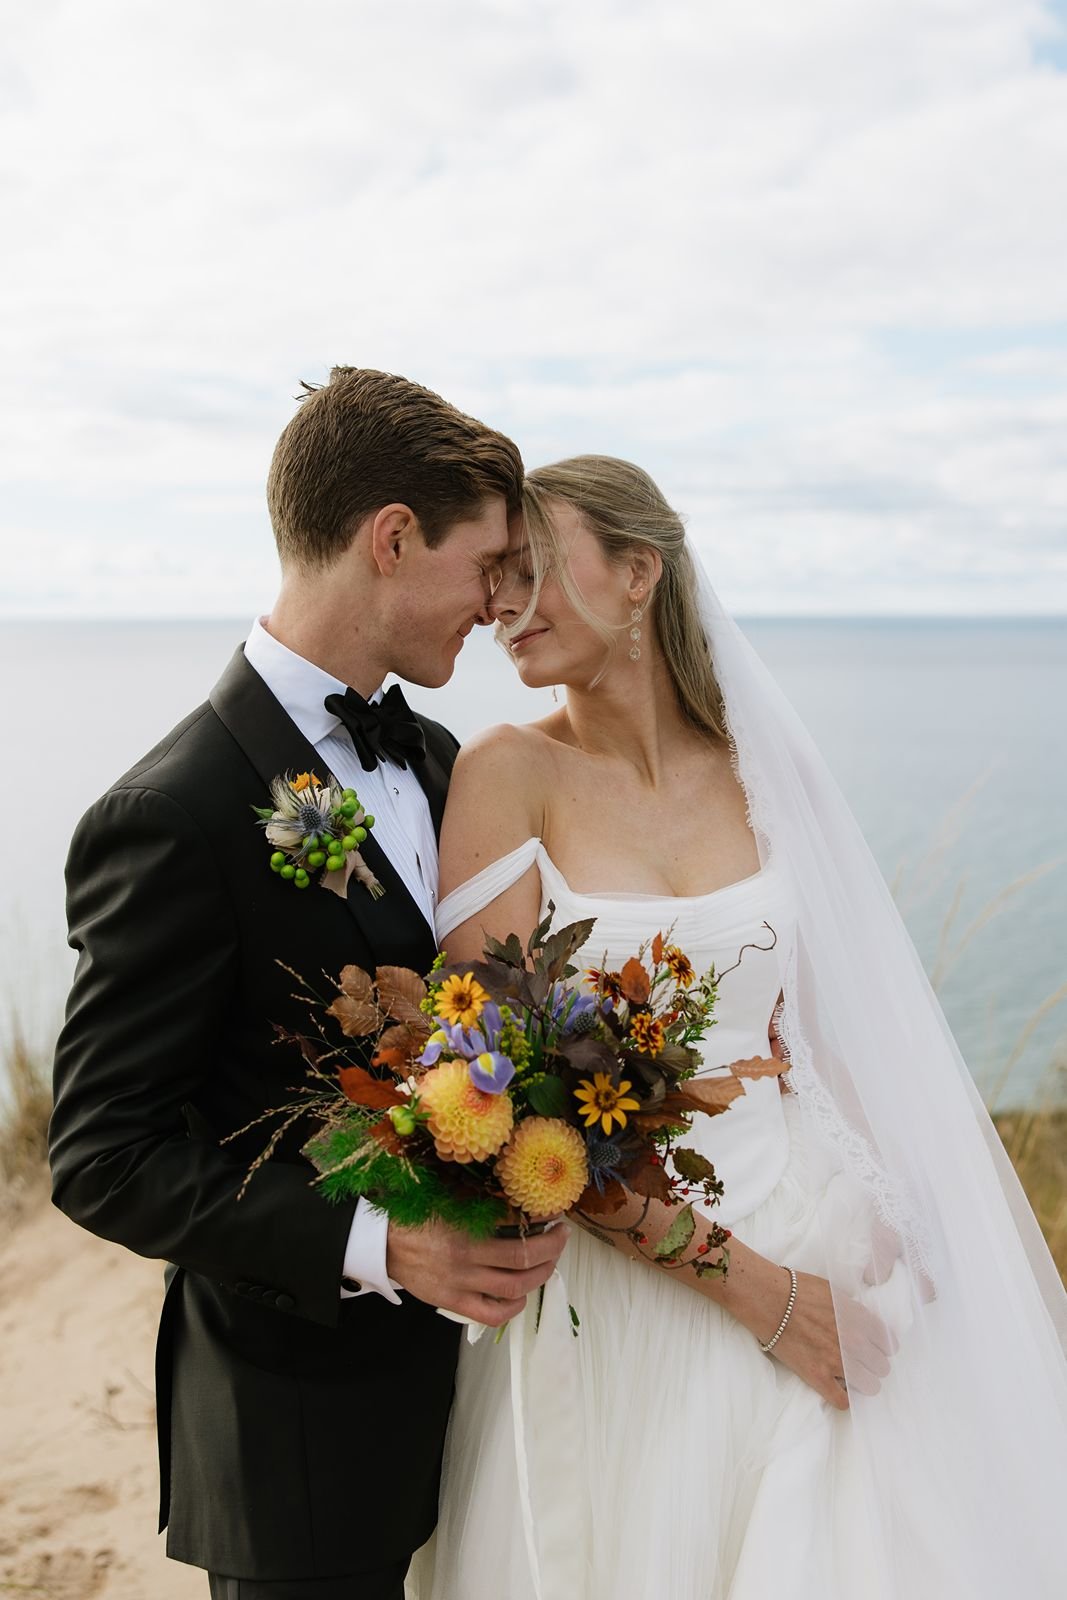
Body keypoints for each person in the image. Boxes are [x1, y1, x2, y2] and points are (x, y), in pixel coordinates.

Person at [410, 455, 1067, 1599]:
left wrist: (898, 1221)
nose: (505, 607)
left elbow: (819, 1029)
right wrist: (762, 1295)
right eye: (497, 577)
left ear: (636, 573)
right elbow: (506, 1104)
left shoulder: (763, 772)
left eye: (535, 571)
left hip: (811, 1203)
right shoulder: (507, 771)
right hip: (623, 1274)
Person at [47, 367, 569, 1600]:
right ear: (391, 539)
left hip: (483, 1409)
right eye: (484, 562)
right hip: (299, 1438)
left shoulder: (442, 758)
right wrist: (385, 1243)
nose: (496, 604)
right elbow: (102, 1152)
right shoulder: (167, 812)